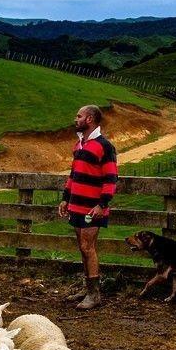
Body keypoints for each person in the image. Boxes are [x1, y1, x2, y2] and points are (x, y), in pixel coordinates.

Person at [57, 104, 118, 309]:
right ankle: (87, 289)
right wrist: (66, 198)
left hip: (93, 208)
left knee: (88, 247)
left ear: (90, 119)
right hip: (76, 204)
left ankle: (95, 295)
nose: (76, 119)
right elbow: (73, 175)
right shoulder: (79, 145)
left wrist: (102, 204)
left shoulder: (104, 146)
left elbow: (111, 178)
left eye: (79, 116)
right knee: (82, 249)